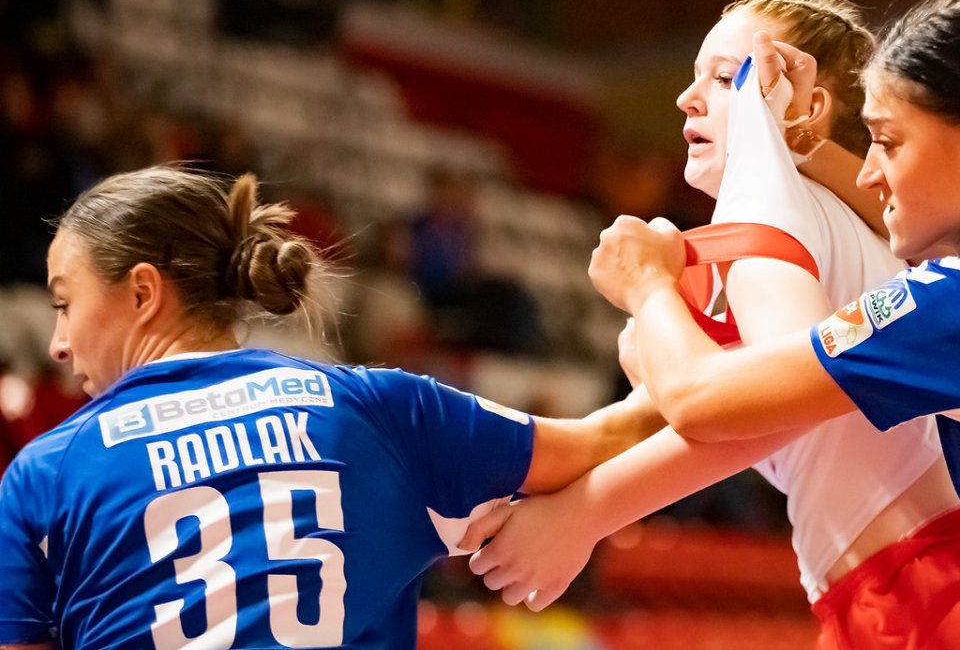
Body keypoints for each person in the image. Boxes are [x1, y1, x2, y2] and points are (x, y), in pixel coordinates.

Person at [569, 0, 960, 649]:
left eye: (887, 143)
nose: (868, 172)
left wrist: (648, 286)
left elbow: (702, 400)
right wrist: (801, 141)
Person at [468, 0, 960, 648]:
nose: (687, 99)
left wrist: (584, 512)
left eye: (724, 79)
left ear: (804, 104)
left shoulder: (771, 199)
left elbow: (790, 402)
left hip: (932, 589)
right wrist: (513, 485)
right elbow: (627, 429)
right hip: (947, 577)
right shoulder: (861, 222)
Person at [0, 166, 662, 650]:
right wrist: (663, 306)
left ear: (143, 292)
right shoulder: (375, 408)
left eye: (64, 302)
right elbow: (626, 434)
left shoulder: (44, 474)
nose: (58, 342)